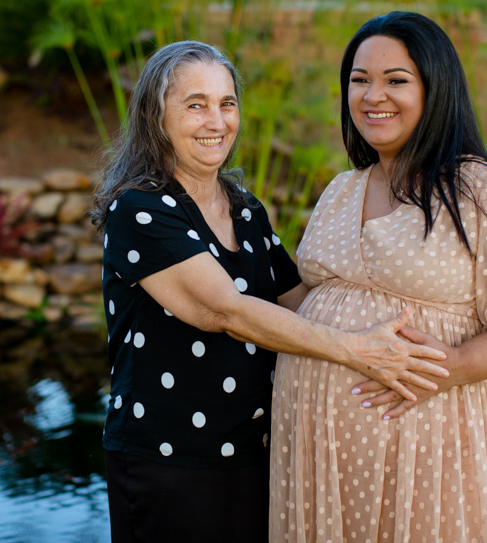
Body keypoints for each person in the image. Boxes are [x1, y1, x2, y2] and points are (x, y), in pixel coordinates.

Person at [269, 12, 487, 542]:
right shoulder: (341, 188)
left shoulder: (479, 189)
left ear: (436, 90)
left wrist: (454, 365)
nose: (372, 95)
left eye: (396, 80)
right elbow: (313, 302)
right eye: (359, 80)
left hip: (428, 437)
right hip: (314, 443)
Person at [89, 40, 450, 543]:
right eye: (196, 105)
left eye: (226, 103)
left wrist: (396, 320)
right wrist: (358, 350)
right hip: (171, 461)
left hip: (258, 450)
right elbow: (226, 311)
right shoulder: (141, 211)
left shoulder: (243, 208)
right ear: (155, 116)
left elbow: (298, 299)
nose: (216, 121)